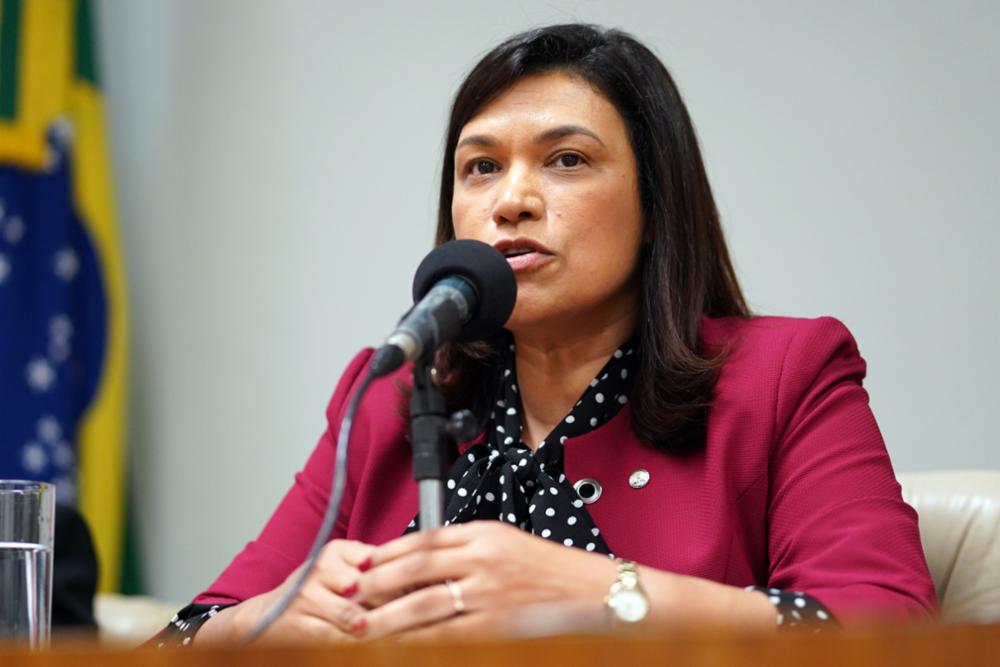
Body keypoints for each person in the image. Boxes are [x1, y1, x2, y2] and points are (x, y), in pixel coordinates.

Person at [155, 23, 936, 646]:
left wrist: (603, 592)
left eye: (565, 159)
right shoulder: (392, 393)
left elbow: (893, 631)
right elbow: (175, 638)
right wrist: (253, 626)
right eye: (480, 168)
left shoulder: (783, 374)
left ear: (656, 201)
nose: (513, 200)